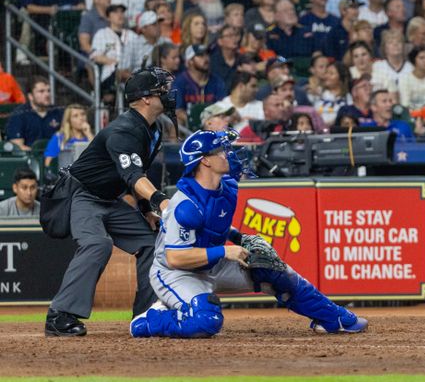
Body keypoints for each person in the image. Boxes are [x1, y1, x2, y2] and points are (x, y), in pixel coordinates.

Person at [129, 129, 368, 337]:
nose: (228, 154)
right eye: (220, 150)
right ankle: (150, 321)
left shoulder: (227, 188)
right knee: (205, 322)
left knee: (276, 272)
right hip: (175, 273)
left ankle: (333, 318)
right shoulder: (185, 205)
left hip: (213, 263)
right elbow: (175, 258)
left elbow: (214, 227)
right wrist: (225, 250)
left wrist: (237, 237)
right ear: (205, 161)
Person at [45, 67, 177, 336]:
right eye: (161, 89)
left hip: (110, 199)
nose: (168, 94)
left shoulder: (153, 129)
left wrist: (145, 209)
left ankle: (146, 314)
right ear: (145, 99)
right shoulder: (124, 130)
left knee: (151, 243)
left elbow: (132, 177)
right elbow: (133, 175)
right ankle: (60, 315)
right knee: (97, 243)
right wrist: (161, 201)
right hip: (82, 195)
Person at [5, 76, 63, 151]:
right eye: (41, 91)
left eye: (48, 91)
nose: (47, 94)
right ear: (30, 96)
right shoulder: (19, 115)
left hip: (57, 157)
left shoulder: (58, 112)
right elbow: (17, 147)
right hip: (31, 158)